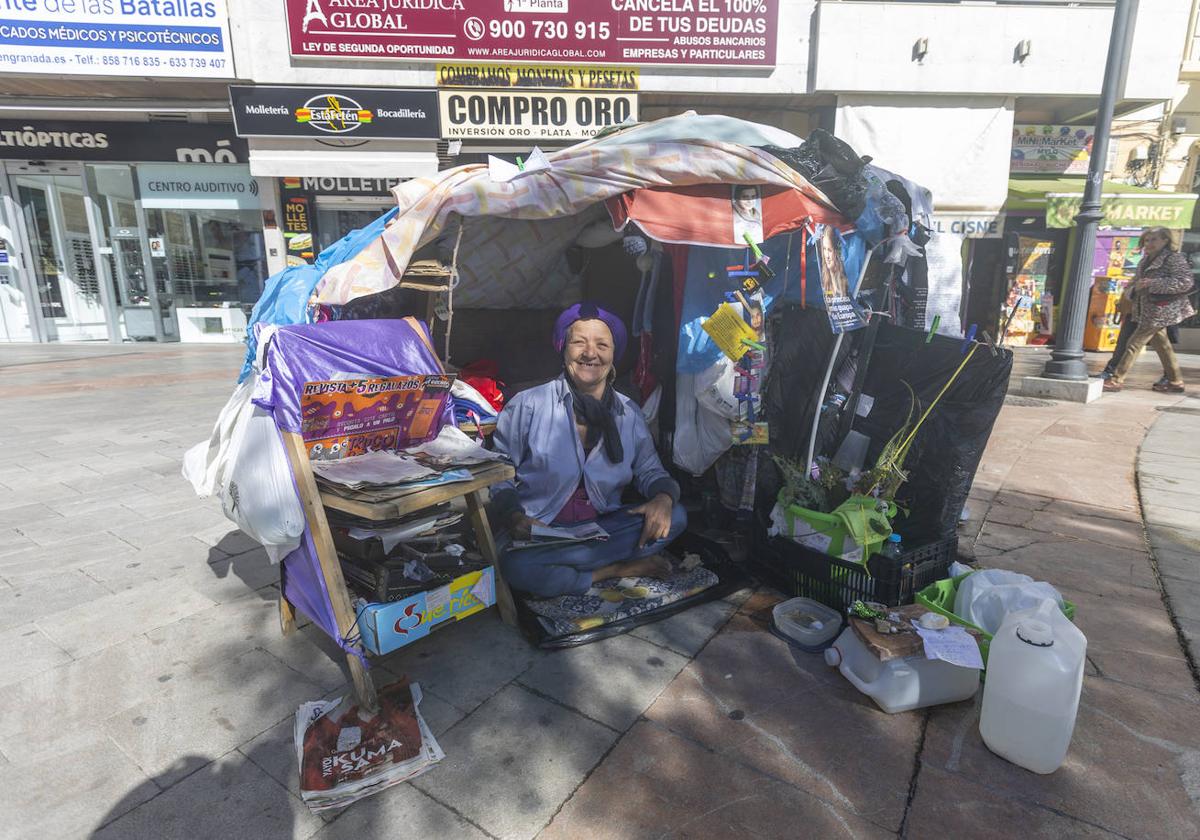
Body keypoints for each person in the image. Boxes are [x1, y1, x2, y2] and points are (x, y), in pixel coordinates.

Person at [489, 302, 687, 598]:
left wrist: (662, 498)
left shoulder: (628, 413)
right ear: (563, 349)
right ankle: (613, 570)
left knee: (677, 516)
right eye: (578, 342)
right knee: (516, 565)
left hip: (602, 529)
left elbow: (649, 470)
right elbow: (497, 471)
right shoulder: (527, 405)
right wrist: (514, 516)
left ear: (613, 354)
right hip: (543, 532)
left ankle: (575, 568)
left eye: (602, 345)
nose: (590, 353)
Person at [1104, 227, 1194, 393]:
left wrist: (1152, 284)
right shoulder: (1145, 260)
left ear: (1165, 240)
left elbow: (1186, 282)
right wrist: (1131, 291)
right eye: (1147, 240)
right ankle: (1175, 381)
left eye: (1154, 240)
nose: (1149, 244)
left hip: (1162, 310)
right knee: (1163, 346)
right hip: (1146, 309)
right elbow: (1136, 282)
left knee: (1134, 343)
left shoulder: (1173, 259)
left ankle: (1116, 379)